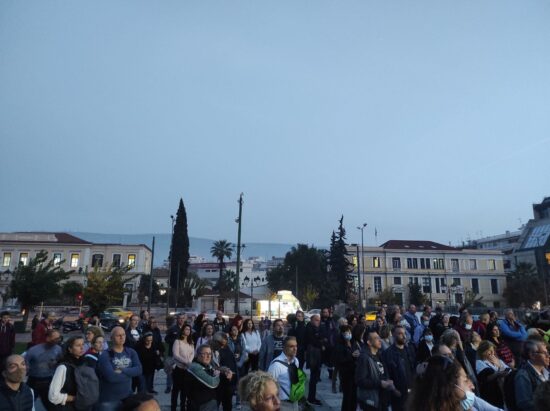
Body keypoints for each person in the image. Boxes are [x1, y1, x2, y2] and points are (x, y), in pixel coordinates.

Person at [97, 326, 143, 411]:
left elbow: (139, 370)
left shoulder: (131, 352)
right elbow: (111, 377)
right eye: (118, 335)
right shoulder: (105, 355)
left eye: (123, 335)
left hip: (127, 396)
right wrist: (130, 374)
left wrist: (123, 370)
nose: (122, 337)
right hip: (109, 400)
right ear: (111, 338)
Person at [48, 335, 94, 411]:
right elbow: (53, 396)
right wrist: (75, 398)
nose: (82, 348)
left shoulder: (85, 363)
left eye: (83, 344)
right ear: (70, 349)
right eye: (78, 345)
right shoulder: (63, 367)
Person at [356, 330, 394, 411]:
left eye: (379, 337)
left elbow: (383, 372)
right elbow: (360, 381)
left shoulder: (380, 355)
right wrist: (380, 383)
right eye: (376, 338)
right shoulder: (364, 358)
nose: (380, 340)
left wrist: (387, 380)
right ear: (369, 342)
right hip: (371, 401)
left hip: (382, 399)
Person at [25, 329, 63, 411]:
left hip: (49, 380)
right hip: (34, 380)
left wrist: (56, 363)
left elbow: (61, 361)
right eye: (55, 338)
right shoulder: (33, 350)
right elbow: (25, 363)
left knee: (51, 405)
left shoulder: (59, 349)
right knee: (27, 403)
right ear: (48, 338)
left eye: (59, 338)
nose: (58, 340)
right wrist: (26, 369)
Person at [381, 325, 415, 411]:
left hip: (411, 391)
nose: (404, 336)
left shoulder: (409, 349)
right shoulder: (387, 354)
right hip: (398, 393)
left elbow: (413, 369)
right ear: (393, 335)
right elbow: (386, 374)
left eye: (404, 333)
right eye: (400, 334)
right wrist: (394, 390)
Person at [515, 340, 549, 411]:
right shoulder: (522, 375)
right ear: (532, 355)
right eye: (544, 353)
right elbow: (524, 403)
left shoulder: (547, 371)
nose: (548, 356)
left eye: (548, 352)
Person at [267, 336, 300, 409]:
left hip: (295, 401)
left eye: (296, 346)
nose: (295, 349)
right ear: (284, 348)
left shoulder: (296, 361)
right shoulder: (276, 365)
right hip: (282, 403)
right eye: (291, 346)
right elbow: (268, 387)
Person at [185, 344, 221, 411]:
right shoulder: (195, 367)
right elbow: (212, 383)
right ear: (198, 355)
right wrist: (216, 376)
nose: (208, 356)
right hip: (200, 405)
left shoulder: (207, 366)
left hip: (210, 404)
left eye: (210, 354)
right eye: (205, 353)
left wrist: (226, 373)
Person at [476, 340, 510, 408]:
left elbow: (509, 371)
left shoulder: (498, 360)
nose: (492, 352)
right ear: (483, 352)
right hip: (491, 394)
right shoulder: (479, 362)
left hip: (504, 390)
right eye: (489, 350)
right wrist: (498, 373)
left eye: (493, 350)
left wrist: (499, 365)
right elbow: (485, 378)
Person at [333, 325, 359, 411]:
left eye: (349, 332)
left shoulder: (353, 343)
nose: (348, 334)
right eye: (346, 332)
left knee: (354, 396)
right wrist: (351, 356)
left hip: (354, 372)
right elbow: (339, 359)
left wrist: (357, 355)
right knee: (347, 396)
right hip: (345, 373)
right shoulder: (339, 345)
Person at [172, 324, 194, 411]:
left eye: (189, 329)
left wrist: (189, 362)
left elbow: (192, 354)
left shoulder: (191, 342)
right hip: (178, 369)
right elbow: (176, 355)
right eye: (186, 329)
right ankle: (173, 408)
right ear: (182, 331)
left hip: (187, 370)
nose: (188, 331)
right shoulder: (177, 341)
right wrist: (186, 362)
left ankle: (182, 408)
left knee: (184, 390)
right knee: (175, 390)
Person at [211, 332, 236, 411]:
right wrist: (223, 370)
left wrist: (232, 376)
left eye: (224, 343)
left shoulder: (228, 349)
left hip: (228, 383)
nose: (222, 346)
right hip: (216, 384)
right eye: (220, 344)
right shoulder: (209, 350)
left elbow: (233, 365)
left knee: (227, 405)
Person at [305, 314, 325, 406]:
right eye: (316, 320)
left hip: (317, 354)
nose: (318, 322)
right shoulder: (309, 328)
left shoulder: (318, 328)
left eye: (319, 320)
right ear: (312, 320)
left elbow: (322, 337)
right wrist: (321, 342)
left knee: (315, 377)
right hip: (313, 355)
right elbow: (314, 341)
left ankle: (312, 397)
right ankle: (311, 398)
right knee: (313, 377)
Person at [165, 314, 187, 394]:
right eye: (179, 318)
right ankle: (169, 386)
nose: (181, 320)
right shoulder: (172, 328)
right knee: (170, 370)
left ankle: (180, 386)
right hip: (172, 353)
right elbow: (166, 339)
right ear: (177, 319)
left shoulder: (186, 328)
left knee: (182, 371)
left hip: (183, 354)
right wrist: (175, 341)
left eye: (182, 318)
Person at [319, 308, 338, 384]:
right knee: (320, 362)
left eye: (326, 312)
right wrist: (322, 342)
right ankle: (317, 376)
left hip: (331, 345)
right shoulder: (320, 321)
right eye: (324, 312)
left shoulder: (332, 321)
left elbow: (335, 331)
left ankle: (331, 375)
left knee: (330, 362)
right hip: (322, 345)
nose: (325, 313)